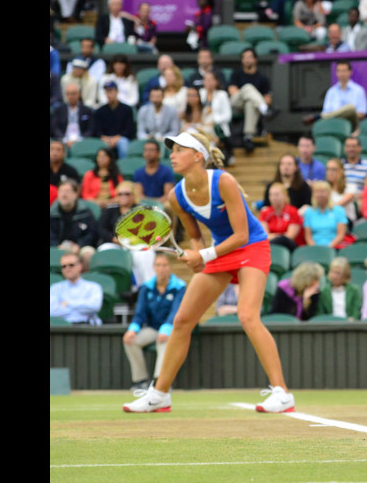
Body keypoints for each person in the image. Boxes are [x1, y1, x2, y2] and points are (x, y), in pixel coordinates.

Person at [123, 130, 296, 414]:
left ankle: (282, 392)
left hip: (252, 246)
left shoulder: (224, 181)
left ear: (197, 156)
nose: (172, 155)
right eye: (172, 150)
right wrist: (199, 255)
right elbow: (195, 236)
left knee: (247, 315)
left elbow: (241, 235)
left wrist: (203, 255)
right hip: (221, 252)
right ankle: (160, 394)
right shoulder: (176, 196)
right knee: (182, 320)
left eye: (178, 150)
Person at [122, 253, 185, 391]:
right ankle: (141, 381)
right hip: (152, 328)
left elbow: (176, 311)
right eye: (158, 265)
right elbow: (140, 312)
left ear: (170, 267)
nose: (161, 269)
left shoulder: (180, 287)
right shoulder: (146, 287)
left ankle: (159, 382)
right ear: (154, 267)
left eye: (164, 265)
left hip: (171, 330)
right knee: (130, 340)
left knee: (163, 340)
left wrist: (166, 329)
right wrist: (133, 329)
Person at [228, 48, 273, 152]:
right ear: (242, 60)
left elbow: (268, 99)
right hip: (236, 104)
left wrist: (253, 100)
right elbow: (233, 92)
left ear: (255, 59)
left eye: (249, 57)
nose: (247, 60)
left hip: (251, 107)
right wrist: (252, 95)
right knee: (248, 87)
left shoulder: (263, 78)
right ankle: (264, 110)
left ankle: (248, 137)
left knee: (250, 104)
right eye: (245, 57)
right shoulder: (236, 74)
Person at [306, 61, 367, 128]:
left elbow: (362, 114)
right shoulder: (331, 91)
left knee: (351, 108)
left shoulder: (359, 90)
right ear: (336, 73)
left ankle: (318, 117)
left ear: (350, 72)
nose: (341, 74)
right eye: (339, 71)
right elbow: (326, 112)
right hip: (334, 124)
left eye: (344, 71)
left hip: (352, 124)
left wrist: (344, 116)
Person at [50, 252, 103, 325]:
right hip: (62, 329)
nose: (67, 269)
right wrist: (82, 308)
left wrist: (68, 303)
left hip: (87, 328)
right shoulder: (55, 288)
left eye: (71, 265)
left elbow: (95, 306)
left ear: (80, 266)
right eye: (64, 266)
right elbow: (52, 311)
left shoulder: (93, 287)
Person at [303, 181, 350, 249]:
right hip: (314, 248)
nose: (320, 194)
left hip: (335, 247)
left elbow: (341, 235)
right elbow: (308, 237)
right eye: (317, 192)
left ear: (329, 193)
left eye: (322, 191)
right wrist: (315, 248)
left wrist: (328, 247)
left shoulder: (338, 210)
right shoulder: (309, 212)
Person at [259, 181, 303, 253]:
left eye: (276, 195)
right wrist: (279, 236)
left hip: (290, 247)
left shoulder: (293, 211)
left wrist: (274, 236)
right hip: (271, 245)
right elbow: (264, 236)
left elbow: (290, 236)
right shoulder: (265, 212)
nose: (273, 198)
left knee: (283, 240)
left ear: (285, 196)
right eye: (271, 195)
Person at [52, 82, 96, 148]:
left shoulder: (87, 110)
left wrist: (80, 139)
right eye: (68, 94)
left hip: (82, 140)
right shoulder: (59, 110)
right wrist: (64, 140)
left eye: (73, 94)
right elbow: (55, 128)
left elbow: (90, 129)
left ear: (79, 94)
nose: (70, 96)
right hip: (63, 140)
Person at [325, 158, 359, 223]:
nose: (330, 172)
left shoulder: (350, 187)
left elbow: (339, 205)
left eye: (333, 169)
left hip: (345, 220)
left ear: (341, 171)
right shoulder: (325, 187)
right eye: (328, 169)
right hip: (327, 218)